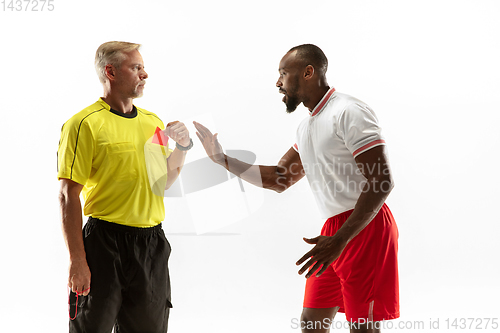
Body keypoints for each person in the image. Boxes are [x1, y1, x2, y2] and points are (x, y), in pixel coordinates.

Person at [194, 44, 399, 333]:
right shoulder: (307, 126)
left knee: (362, 327)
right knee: (312, 324)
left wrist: (340, 240)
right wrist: (222, 160)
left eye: (283, 74)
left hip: (365, 226)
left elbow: (382, 182)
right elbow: (280, 178)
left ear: (308, 72)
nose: (278, 83)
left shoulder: (349, 111)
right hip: (333, 230)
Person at [57, 41, 193, 332]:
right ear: (111, 72)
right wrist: (77, 260)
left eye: (143, 67)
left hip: (150, 246)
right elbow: (68, 195)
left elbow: (162, 182)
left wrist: (182, 147)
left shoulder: (152, 122)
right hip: (104, 244)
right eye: (136, 67)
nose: (145, 74)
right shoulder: (83, 124)